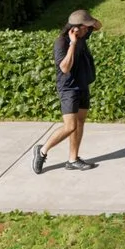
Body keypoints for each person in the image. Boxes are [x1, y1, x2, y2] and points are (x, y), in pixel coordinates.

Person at [33, 11, 100, 172]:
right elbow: (65, 67)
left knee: (80, 122)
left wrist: (89, 22)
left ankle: (73, 159)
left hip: (82, 85)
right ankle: (42, 151)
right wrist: (72, 43)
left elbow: (98, 25)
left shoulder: (83, 33)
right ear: (77, 28)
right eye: (86, 27)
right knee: (70, 126)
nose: (89, 29)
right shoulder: (61, 43)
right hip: (69, 89)